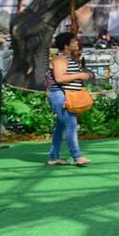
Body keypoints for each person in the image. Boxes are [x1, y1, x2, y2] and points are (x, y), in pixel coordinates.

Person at [45, 31, 94, 166]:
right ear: (66, 45)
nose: (77, 43)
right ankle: (77, 156)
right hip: (60, 94)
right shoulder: (60, 59)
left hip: (63, 94)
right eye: (73, 41)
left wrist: (84, 75)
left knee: (61, 127)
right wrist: (80, 75)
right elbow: (60, 78)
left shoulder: (67, 58)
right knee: (71, 124)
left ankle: (53, 157)